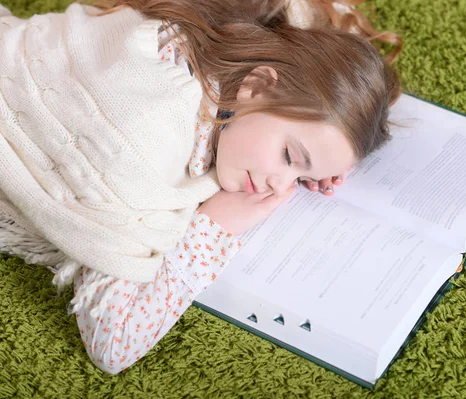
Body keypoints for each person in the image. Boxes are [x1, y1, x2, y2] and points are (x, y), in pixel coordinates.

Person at [0, 0, 401, 373]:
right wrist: (213, 227)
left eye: (302, 178)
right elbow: (113, 342)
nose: (280, 188)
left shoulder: (221, 52)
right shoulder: (146, 137)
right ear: (258, 85)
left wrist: (330, 149)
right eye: (289, 157)